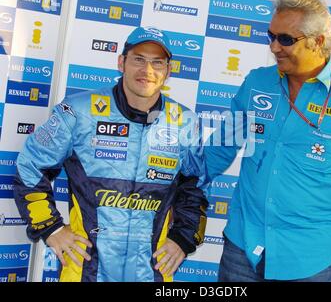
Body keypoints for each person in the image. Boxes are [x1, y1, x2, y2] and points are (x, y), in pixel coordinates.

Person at [204, 0, 331, 282]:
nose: (274, 46)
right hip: (243, 246)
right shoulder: (256, 82)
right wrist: (174, 189)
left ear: (318, 41)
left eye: (286, 39)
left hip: (309, 258)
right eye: (271, 36)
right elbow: (219, 149)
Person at [13, 26, 209, 282]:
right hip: (85, 269)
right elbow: (30, 167)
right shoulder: (78, 111)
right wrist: (51, 228)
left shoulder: (184, 122)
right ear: (121, 62)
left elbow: (196, 188)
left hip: (151, 271)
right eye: (138, 59)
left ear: (168, 71)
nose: (147, 71)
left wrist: (183, 238)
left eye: (157, 62)